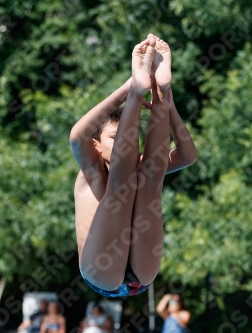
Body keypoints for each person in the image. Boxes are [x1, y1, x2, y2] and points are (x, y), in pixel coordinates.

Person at [70, 33, 197, 297]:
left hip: (140, 273)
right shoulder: (90, 170)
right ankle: (140, 91)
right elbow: (77, 136)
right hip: (101, 270)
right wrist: (128, 92)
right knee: (122, 184)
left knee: (151, 178)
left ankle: (158, 89)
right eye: (115, 138)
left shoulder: (137, 164)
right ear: (96, 145)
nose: (123, 145)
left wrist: (165, 97)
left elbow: (187, 155)